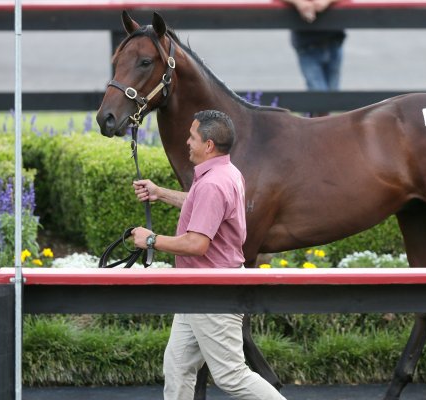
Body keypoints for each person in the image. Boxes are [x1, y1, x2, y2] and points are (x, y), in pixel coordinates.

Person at [130, 110, 286, 400]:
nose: (187, 142)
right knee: (178, 367)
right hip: (201, 289)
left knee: (231, 375)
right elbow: (200, 204)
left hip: (213, 291)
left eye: (192, 137)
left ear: (209, 145)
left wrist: (150, 239)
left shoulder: (214, 183)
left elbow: (196, 244)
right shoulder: (225, 172)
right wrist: (160, 193)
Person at [282, 0, 346, 93]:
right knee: (318, 91)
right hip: (307, 43)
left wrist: (326, 1)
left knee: (333, 90)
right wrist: (299, 3)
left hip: (333, 41)